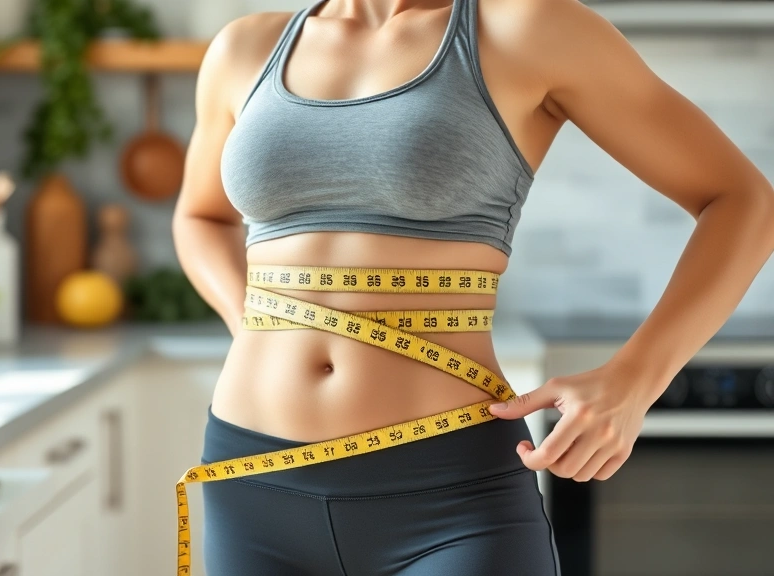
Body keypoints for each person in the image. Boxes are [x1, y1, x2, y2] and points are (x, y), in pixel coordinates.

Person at [172, 0, 774, 574]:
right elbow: (201, 217)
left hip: (447, 494)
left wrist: (635, 380)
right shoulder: (243, 47)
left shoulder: (528, 27)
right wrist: (257, 322)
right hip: (252, 479)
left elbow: (745, 202)